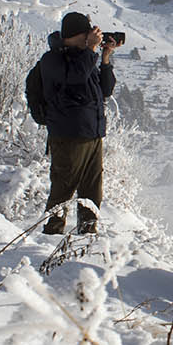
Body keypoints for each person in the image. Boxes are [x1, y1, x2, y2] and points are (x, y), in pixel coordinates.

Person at [39, 12, 119, 235]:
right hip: (68, 136)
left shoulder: (85, 58)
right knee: (63, 189)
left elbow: (105, 90)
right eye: (88, 34)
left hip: (92, 135)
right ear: (76, 35)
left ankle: (87, 235)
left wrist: (104, 59)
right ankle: (51, 235)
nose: (91, 38)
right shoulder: (53, 60)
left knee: (92, 191)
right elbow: (74, 77)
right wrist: (91, 51)